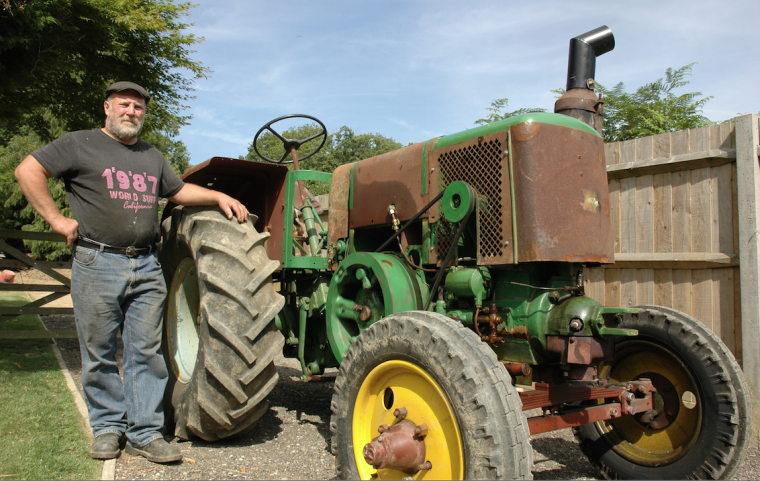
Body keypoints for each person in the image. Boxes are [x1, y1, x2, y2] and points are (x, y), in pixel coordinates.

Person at [14, 81, 249, 464]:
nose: (131, 112)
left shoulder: (150, 156)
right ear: (107, 107)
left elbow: (177, 192)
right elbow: (28, 171)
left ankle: (144, 432)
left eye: (138, 107)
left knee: (146, 352)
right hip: (97, 261)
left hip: (146, 263)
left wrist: (217, 196)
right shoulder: (79, 143)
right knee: (100, 350)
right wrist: (57, 220)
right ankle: (107, 428)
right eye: (123, 104)